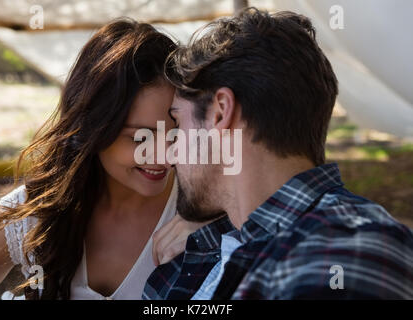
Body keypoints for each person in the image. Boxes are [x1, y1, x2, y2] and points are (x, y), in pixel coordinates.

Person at [144, 8, 413, 299]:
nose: (170, 156)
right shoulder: (200, 251)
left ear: (221, 112)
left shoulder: (347, 248)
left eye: (178, 123)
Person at [0, 18, 206, 300]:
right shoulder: (35, 211)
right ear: (93, 128)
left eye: (175, 134)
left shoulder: (203, 210)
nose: (165, 155)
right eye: (141, 138)